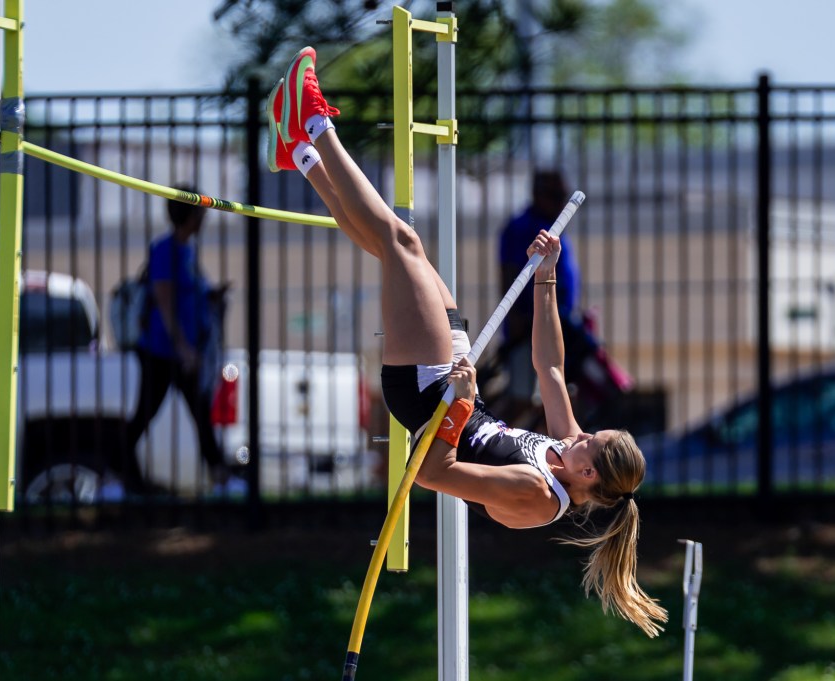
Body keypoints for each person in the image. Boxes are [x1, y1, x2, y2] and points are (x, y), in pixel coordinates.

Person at [266, 47, 667, 637]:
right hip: (453, 385)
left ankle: (315, 122)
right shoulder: (567, 455)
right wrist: (547, 278)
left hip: (429, 397)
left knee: (401, 242)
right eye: (590, 433)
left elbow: (433, 473)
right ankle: (299, 153)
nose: (579, 435)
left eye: (588, 443)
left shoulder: (537, 492)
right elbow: (551, 368)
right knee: (396, 248)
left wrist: (460, 405)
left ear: (590, 478)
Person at [124, 190, 232, 494]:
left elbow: (189, 294)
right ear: (189, 215)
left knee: (200, 413)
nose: (204, 217)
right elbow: (164, 300)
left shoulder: (187, 251)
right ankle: (124, 474)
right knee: (145, 415)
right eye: (200, 211)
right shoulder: (165, 250)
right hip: (162, 352)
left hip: (184, 352)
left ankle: (220, 476)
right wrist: (184, 348)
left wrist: (212, 296)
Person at [497, 169, 581, 427]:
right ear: (537, 194)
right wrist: (516, 319)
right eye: (554, 196)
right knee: (522, 398)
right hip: (528, 327)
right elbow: (509, 273)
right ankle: (479, 438)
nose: (560, 203)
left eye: (562, 196)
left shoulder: (553, 225)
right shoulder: (522, 227)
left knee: (559, 399)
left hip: (559, 323)